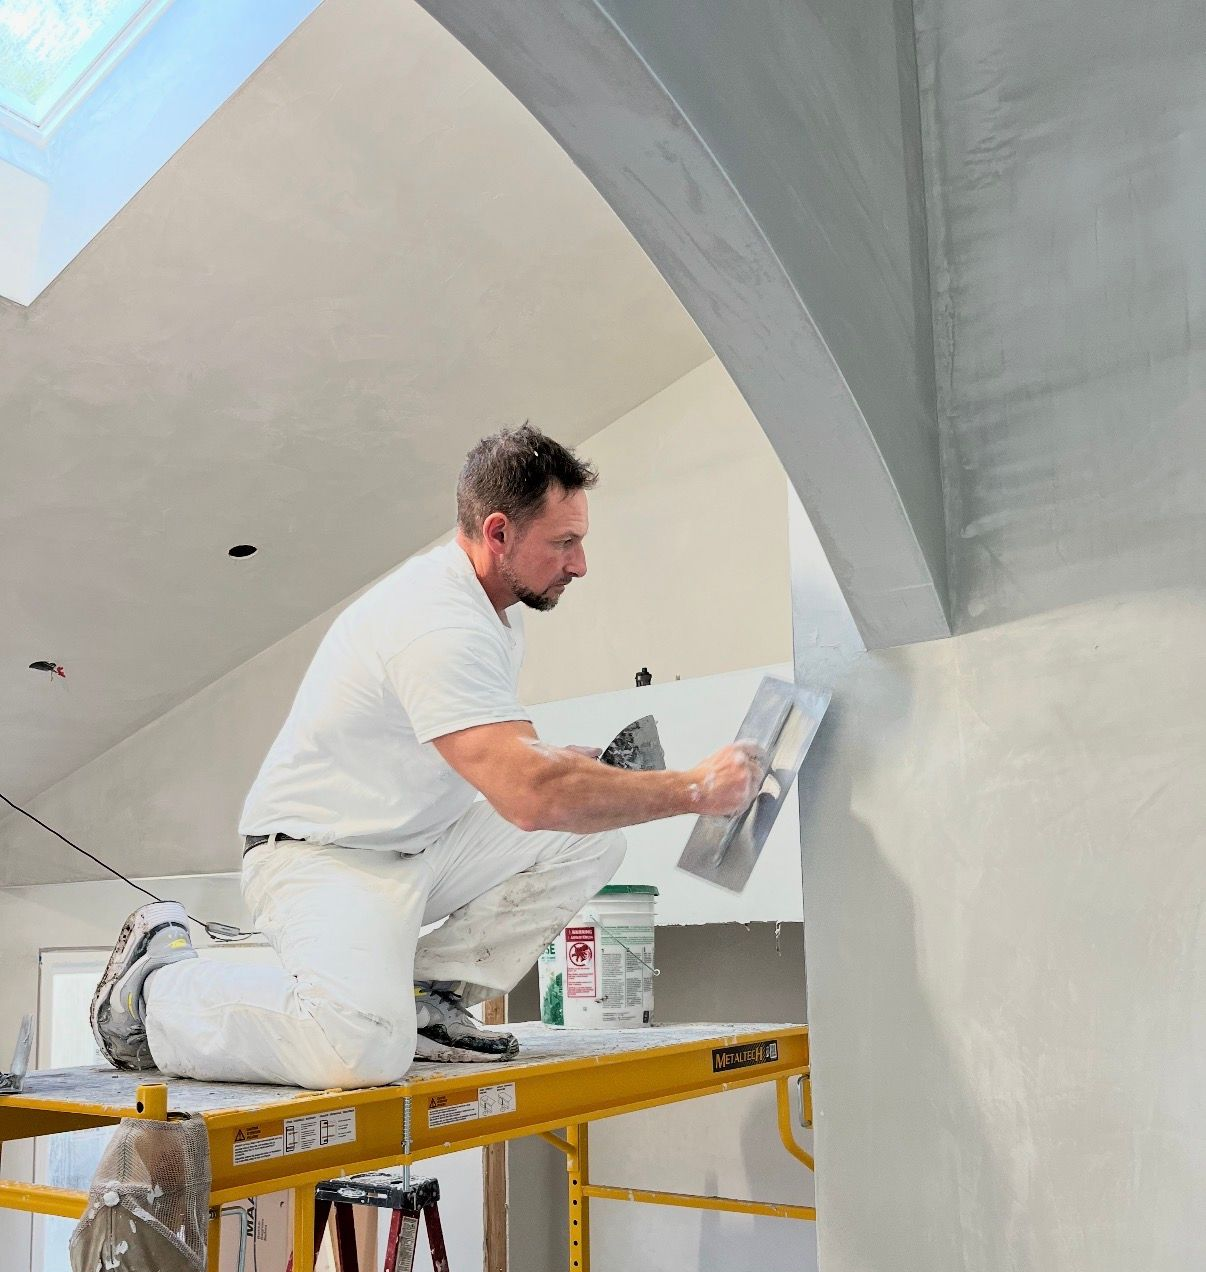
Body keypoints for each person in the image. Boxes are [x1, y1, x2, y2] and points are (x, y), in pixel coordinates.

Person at [89, 426, 764, 1090]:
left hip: (417, 845)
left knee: (587, 842)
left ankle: (426, 996)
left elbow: (482, 747)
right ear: (499, 532)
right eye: (565, 543)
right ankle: (154, 992)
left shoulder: (496, 607)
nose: (579, 563)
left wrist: (563, 762)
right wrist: (697, 789)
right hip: (321, 858)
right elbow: (531, 797)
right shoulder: (437, 622)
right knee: (358, 1052)